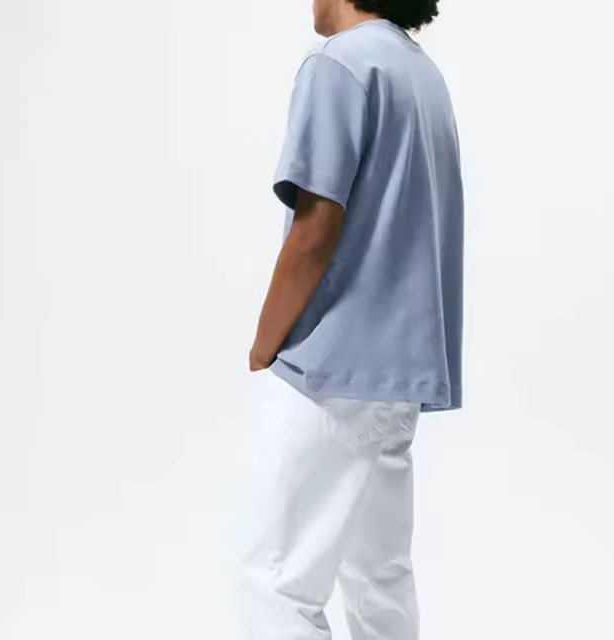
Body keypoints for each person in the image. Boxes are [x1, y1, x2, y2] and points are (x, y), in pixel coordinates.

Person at [237, 1, 463, 638]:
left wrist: (265, 343)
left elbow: (315, 230)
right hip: (398, 379)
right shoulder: (421, 75)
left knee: (277, 582)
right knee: (378, 577)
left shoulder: (340, 65)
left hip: (328, 370)